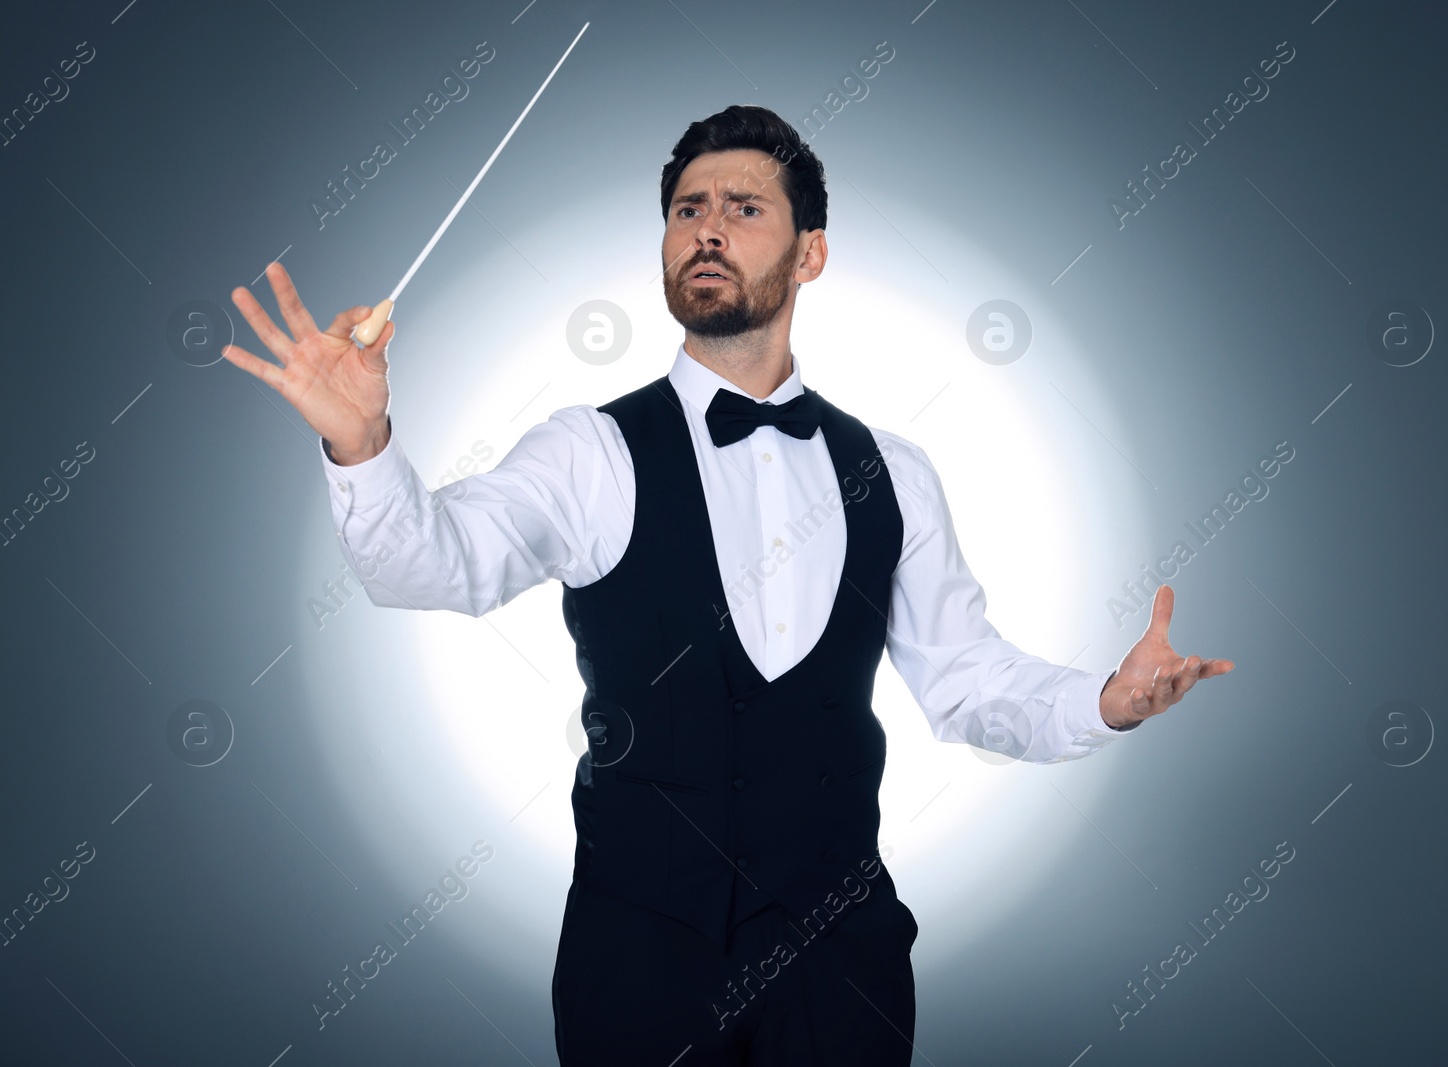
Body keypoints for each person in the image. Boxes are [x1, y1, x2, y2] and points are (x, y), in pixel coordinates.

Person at [223, 104, 1234, 1066]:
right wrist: (358, 444)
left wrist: (1105, 702)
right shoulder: (590, 451)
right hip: (638, 958)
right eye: (686, 211)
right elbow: (428, 564)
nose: (706, 230)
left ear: (810, 253)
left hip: (842, 960)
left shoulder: (895, 470)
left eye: (743, 209)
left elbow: (965, 678)